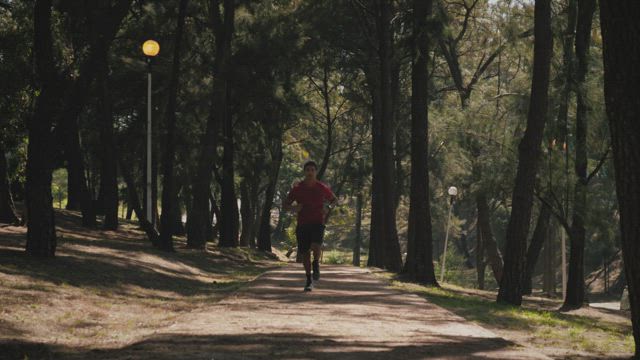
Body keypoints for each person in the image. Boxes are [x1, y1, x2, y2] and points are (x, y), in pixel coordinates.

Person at [283, 160, 337, 291]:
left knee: (316, 246)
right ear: (304, 172)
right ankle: (308, 279)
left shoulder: (321, 187)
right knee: (305, 253)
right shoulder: (297, 189)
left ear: (315, 172)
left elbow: (334, 200)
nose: (310, 172)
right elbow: (285, 205)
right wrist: (295, 208)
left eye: (312, 170)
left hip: (317, 222)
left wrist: (327, 207)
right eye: (308, 170)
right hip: (303, 224)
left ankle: (316, 263)